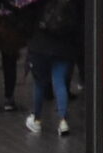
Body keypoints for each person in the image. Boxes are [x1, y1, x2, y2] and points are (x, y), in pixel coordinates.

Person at [25, 0, 82, 136]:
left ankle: (37, 119)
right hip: (64, 47)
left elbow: (29, 19)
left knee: (39, 84)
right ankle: (62, 121)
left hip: (40, 46)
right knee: (60, 82)